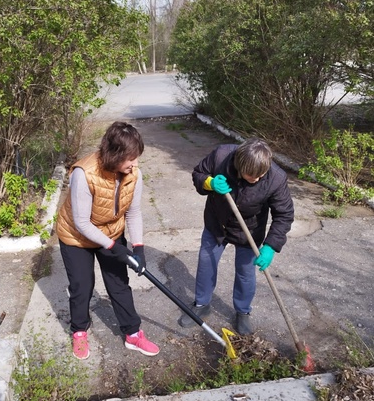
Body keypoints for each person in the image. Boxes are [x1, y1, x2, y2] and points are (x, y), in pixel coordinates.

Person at [56, 121, 159, 360]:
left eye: (136, 158)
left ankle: (133, 333)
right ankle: (79, 331)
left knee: (119, 284)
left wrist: (138, 248)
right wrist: (114, 248)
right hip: (76, 237)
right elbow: (82, 223)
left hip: (111, 231)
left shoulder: (134, 174)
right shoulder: (84, 174)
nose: (135, 164)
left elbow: (133, 212)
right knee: (82, 286)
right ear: (114, 155)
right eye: (129, 159)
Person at [179, 138, 294, 335]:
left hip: (249, 229)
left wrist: (271, 245)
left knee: (245, 272)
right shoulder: (221, 156)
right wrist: (210, 183)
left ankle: (243, 312)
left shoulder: (276, 178)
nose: (256, 179)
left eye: (261, 175)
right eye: (251, 175)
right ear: (239, 165)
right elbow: (199, 173)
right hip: (217, 221)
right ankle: (201, 304)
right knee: (206, 263)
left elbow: (284, 214)